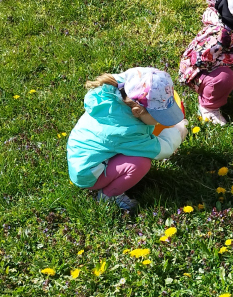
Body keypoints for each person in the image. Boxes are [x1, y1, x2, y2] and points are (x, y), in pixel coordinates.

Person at [66, 67, 188, 215]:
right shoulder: (126, 130)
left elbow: (138, 76)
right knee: (140, 163)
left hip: (83, 159)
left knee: (135, 154)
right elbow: (163, 149)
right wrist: (177, 131)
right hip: (88, 175)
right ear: (137, 112)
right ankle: (109, 196)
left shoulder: (118, 95)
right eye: (158, 117)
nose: (160, 121)